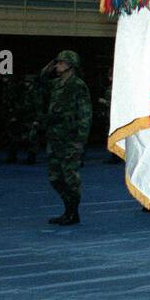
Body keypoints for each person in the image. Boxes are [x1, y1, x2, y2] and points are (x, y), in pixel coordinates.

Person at [41, 51, 92, 225]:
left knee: (70, 177)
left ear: (71, 65)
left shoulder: (78, 86)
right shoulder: (56, 84)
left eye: (61, 63)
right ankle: (67, 209)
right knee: (55, 177)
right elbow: (39, 84)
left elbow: (85, 115)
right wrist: (47, 69)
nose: (57, 66)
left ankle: (73, 212)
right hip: (55, 137)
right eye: (57, 63)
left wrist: (80, 141)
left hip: (71, 139)